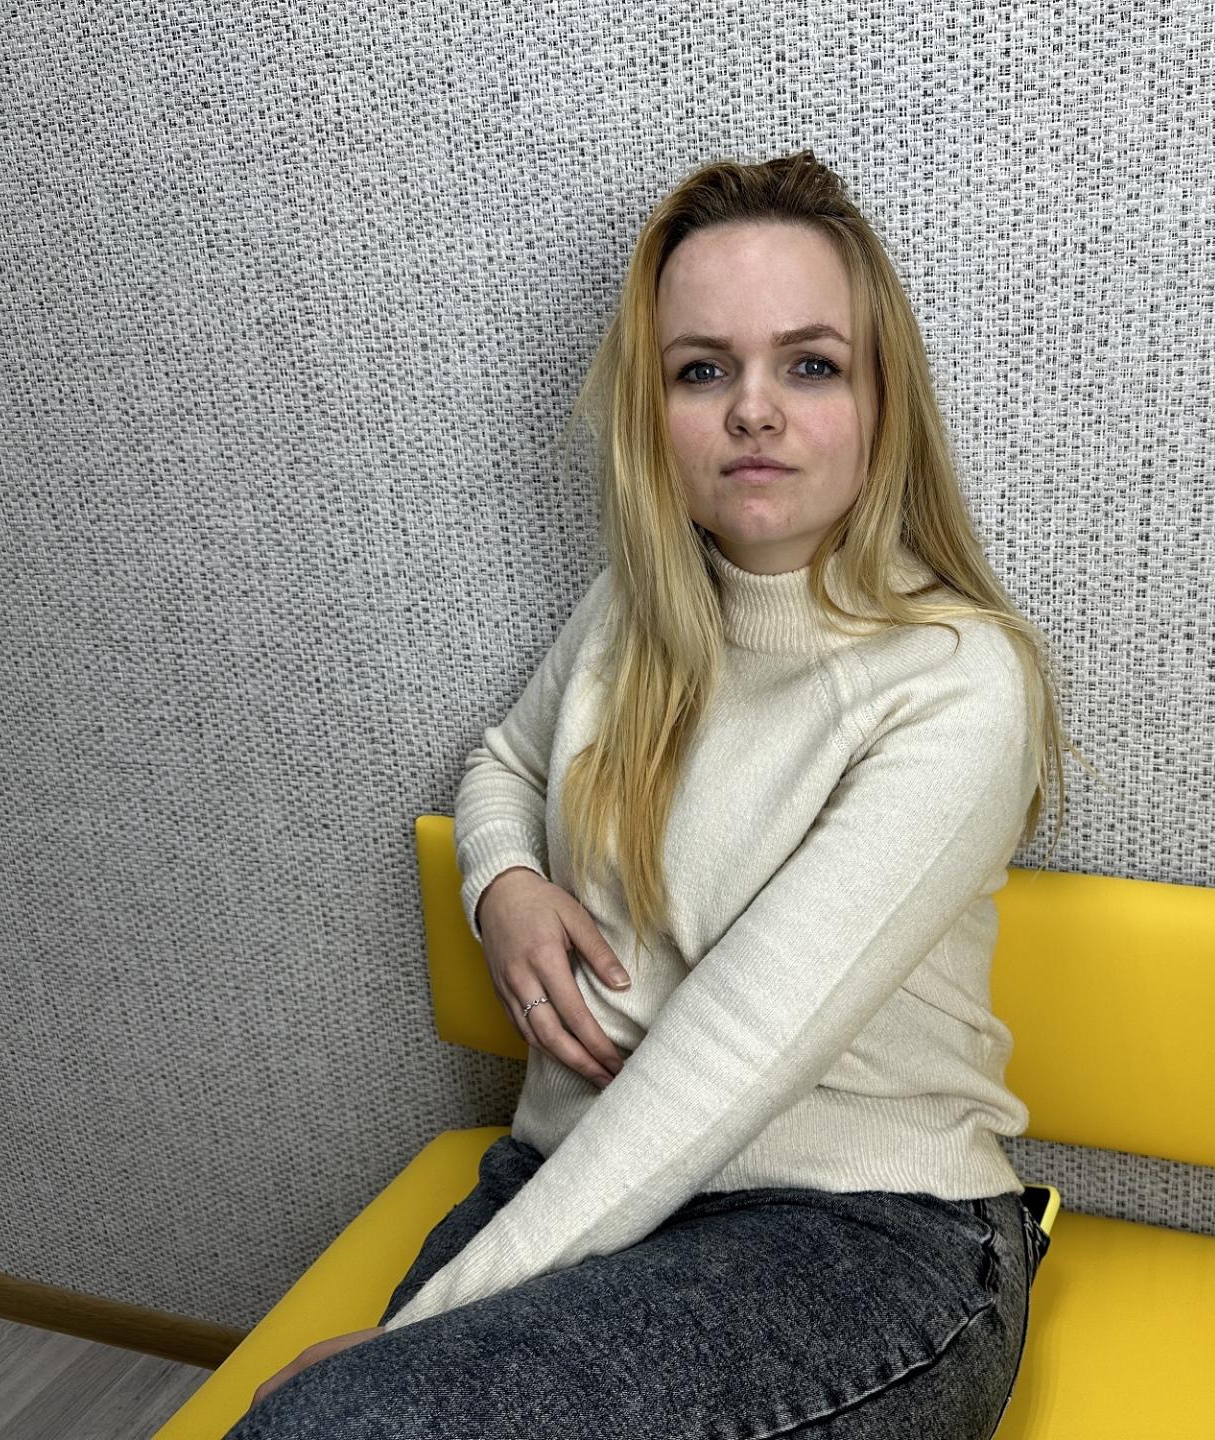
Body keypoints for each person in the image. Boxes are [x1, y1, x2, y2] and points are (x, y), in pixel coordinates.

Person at [227, 148, 1082, 1439]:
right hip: (575, 1178)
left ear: (883, 399)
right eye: (702, 370)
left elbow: (731, 1054)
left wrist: (407, 1341)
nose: (754, 411)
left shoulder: (956, 681)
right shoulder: (632, 612)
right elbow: (505, 763)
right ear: (655, 408)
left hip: (850, 1236)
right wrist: (505, 887)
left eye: (811, 365)